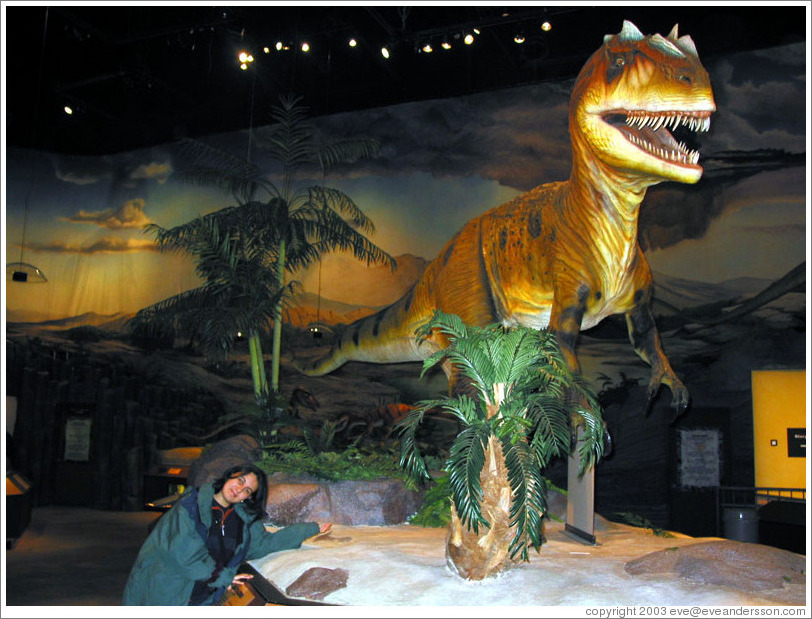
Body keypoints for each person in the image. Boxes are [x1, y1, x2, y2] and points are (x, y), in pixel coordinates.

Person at [123, 462, 331, 605]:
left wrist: (308, 529)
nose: (240, 490)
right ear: (230, 475)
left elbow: (262, 545)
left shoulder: (242, 518)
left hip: (202, 596)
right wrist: (223, 577)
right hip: (166, 590)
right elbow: (184, 554)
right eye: (240, 481)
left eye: (248, 490)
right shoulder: (191, 506)